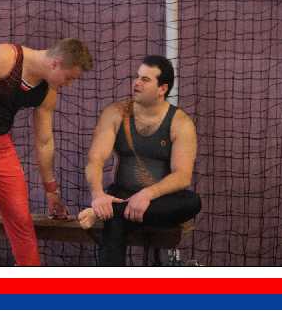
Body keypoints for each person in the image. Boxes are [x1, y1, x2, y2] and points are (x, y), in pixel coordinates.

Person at [0, 38, 93, 266]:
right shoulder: (5, 58)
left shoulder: (48, 91)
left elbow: (44, 141)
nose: (69, 84)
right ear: (56, 63)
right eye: (69, 78)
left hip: (0, 144)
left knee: (20, 216)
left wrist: (51, 191)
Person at [81, 55, 201, 264]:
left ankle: (112, 212)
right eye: (137, 77)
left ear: (162, 88)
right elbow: (95, 159)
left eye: (145, 79)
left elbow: (182, 176)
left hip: (158, 202)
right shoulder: (115, 113)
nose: (136, 83)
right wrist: (98, 195)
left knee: (193, 202)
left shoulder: (181, 123)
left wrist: (147, 194)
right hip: (121, 195)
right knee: (113, 222)